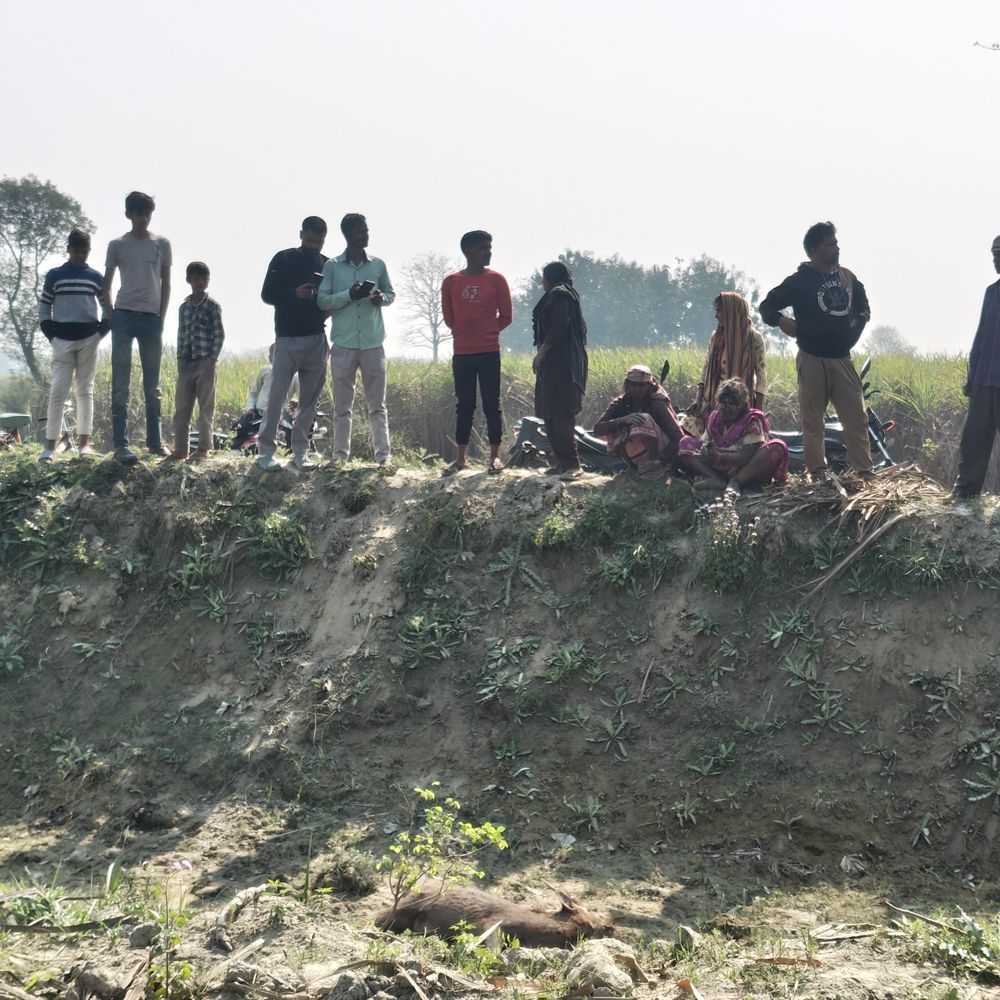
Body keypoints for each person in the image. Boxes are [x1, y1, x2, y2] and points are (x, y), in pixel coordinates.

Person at [759, 221, 874, 480]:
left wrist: (854, 329)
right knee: (813, 423)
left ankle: (864, 472)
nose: (836, 248)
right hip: (811, 358)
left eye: (836, 243)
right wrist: (782, 321)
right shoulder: (800, 281)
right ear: (815, 251)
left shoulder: (847, 278)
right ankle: (818, 474)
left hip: (842, 359)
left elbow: (864, 307)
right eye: (830, 244)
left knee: (856, 418)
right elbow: (767, 307)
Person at [318, 213, 395, 465]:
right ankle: (340, 457)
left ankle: (383, 457)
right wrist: (349, 295)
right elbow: (323, 300)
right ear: (349, 235)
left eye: (366, 230)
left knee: (377, 405)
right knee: (342, 406)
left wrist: (379, 298)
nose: (366, 235)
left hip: (373, 342)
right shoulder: (332, 266)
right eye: (361, 231)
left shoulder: (378, 265)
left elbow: (390, 294)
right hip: (344, 343)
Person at [104, 191, 172, 464]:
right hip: (124, 315)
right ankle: (121, 445)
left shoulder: (162, 244)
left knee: (152, 384)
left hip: (150, 318)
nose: (142, 219)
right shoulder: (117, 245)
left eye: (146, 214)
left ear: (150, 214)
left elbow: (166, 283)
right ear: (129, 215)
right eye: (137, 214)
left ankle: (154, 442)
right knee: (121, 382)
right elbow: (106, 285)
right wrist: (111, 316)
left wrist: (161, 317)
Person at [258, 216, 330, 472]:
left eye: (319, 242)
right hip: (287, 338)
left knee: (309, 401)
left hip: (316, 339)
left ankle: (300, 452)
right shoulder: (283, 259)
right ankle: (265, 452)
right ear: (301, 235)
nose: (314, 246)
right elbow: (267, 294)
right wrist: (294, 294)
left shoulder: (327, 264)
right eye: (310, 240)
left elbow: (331, 298)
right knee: (277, 396)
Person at [440, 230, 513, 475]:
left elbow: (506, 316)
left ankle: (495, 458)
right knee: (465, 404)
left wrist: (488, 332)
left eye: (489, 247)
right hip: (462, 353)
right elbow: (449, 318)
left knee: (492, 404)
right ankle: (460, 459)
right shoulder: (451, 281)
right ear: (468, 251)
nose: (488, 252)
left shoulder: (497, 280)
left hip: (489, 351)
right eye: (483, 248)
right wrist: (465, 333)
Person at [38, 228, 110, 461]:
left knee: (84, 390)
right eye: (76, 251)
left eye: (84, 251)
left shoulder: (96, 277)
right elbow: (44, 306)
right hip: (62, 340)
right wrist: (51, 334)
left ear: (89, 251)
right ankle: (49, 447)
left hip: (89, 338)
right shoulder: (55, 275)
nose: (80, 255)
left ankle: (84, 445)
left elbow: (108, 307)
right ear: (68, 250)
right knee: (58, 390)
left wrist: (100, 333)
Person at [677, 377, 788, 495]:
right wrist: (707, 451)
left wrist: (720, 457)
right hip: (718, 464)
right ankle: (715, 479)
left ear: (743, 405)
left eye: (732, 404)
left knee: (778, 446)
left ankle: (736, 482)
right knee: (685, 442)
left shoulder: (751, 420)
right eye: (723, 403)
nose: (726, 408)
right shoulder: (714, 417)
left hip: (744, 468)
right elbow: (705, 442)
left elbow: (748, 454)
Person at [532, 261, 589, 481]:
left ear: (549, 278)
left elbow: (559, 326)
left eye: (543, 278)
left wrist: (542, 352)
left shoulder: (561, 294)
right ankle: (561, 463)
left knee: (561, 413)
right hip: (553, 364)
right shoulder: (557, 295)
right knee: (549, 413)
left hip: (565, 363)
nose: (541, 283)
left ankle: (573, 465)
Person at [953, 234, 1000, 498]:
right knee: (973, 439)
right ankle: (965, 493)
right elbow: (981, 335)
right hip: (984, 380)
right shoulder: (991, 292)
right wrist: (972, 375)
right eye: (994, 255)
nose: (996, 260)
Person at [165, 262, 225, 462]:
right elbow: (181, 333)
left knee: (206, 406)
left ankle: (203, 448)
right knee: (182, 408)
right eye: (196, 278)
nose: (200, 282)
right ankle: (180, 449)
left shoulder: (212, 306)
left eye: (203, 278)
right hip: (186, 362)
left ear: (208, 280)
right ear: (188, 280)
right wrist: (180, 358)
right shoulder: (184, 307)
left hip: (205, 361)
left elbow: (219, 334)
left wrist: (213, 358)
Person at [690, 292, 767, 427]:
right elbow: (706, 369)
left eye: (719, 311)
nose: (716, 316)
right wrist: (698, 399)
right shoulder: (717, 338)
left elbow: (761, 377)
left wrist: (758, 411)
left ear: (731, 312)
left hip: (740, 404)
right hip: (714, 401)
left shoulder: (753, 339)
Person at [593, 365, 682, 477]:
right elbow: (598, 429)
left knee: (643, 419)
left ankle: (654, 465)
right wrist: (622, 420)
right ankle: (634, 467)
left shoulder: (657, 404)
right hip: (635, 453)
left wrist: (660, 461)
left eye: (642, 385)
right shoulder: (621, 403)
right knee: (618, 430)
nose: (637, 389)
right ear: (627, 385)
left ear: (649, 386)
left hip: (662, 450)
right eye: (633, 385)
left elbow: (678, 437)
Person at [246, 344, 300, 427]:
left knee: (290, 435)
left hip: (280, 418)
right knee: (239, 429)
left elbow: (302, 400)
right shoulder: (265, 371)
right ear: (270, 358)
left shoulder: (295, 376)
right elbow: (253, 394)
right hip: (258, 415)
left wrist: (296, 411)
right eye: (275, 355)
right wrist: (250, 408)